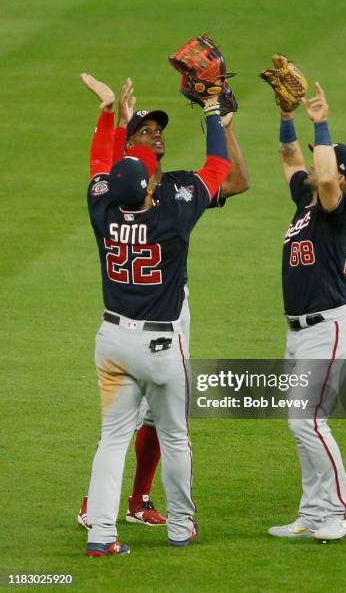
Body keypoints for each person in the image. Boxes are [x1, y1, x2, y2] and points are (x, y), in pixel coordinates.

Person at [77, 75, 249, 531]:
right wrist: (213, 112)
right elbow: (217, 166)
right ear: (131, 152)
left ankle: (104, 525)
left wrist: (109, 113)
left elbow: (101, 168)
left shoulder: (102, 204)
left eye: (158, 128)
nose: (156, 133)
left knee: (112, 438)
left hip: (114, 334)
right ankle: (180, 525)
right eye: (145, 130)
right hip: (161, 335)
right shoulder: (177, 206)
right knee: (175, 434)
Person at [268, 82, 346, 542]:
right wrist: (287, 114)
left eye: (322, 152)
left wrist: (321, 119)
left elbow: (324, 178)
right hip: (301, 332)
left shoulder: (334, 208)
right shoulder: (306, 204)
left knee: (306, 421)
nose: (313, 158)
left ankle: (343, 511)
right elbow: (291, 159)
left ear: (342, 176)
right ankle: (314, 511)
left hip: (327, 328)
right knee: (302, 424)